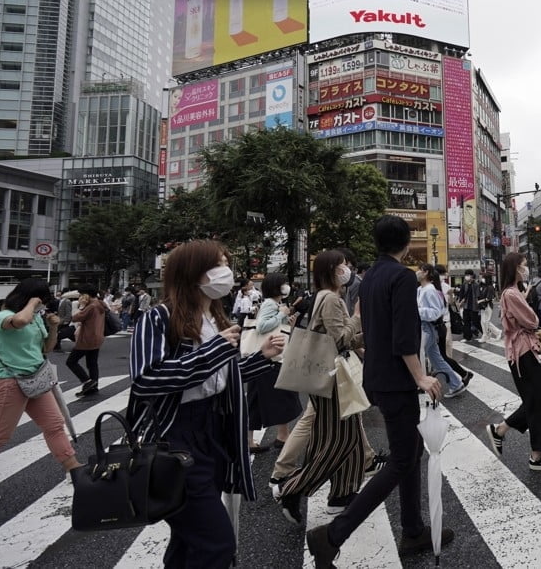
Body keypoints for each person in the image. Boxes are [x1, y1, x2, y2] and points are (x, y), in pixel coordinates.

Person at [127, 240, 284, 568]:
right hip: (174, 434)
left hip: (213, 430)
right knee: (216, 542)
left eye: (227, 263)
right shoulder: (158, 318)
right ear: (192, 272)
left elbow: (221, 376)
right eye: (218, 265)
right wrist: (213, 351)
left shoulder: (214, 316)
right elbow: (146, 379)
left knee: (190, 538)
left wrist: (261, 358)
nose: (226, 272)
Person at [305, 216, 450, 567]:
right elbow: (402, 335)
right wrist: (421, 377)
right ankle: (334, 534)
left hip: (378, 376)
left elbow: (374, 328)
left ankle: (413, 528)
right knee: (402, 459)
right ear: (406, 242)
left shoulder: (370, 277)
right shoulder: (401, 277)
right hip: (397, 380)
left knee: (410, 450)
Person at [277, 250, 366, 523]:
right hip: (332, 378)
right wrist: (357, 317)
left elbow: (335, 337)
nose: (346, 269)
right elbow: (338, 339)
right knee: (338, 439)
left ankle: (342, 494)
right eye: (342, 266)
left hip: (333, 375)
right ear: (331, 270)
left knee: (351, 437)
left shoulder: (327, 297)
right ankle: (292, 488)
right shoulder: (330, 299)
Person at [486, 252, 541, 472]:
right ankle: (537, 456)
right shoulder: (511, 294)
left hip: (522, 351)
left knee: (535, 400)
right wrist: (530, 311)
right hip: (522, 353)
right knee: (536, 401)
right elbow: (532, 320)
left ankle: (502, 433)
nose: (526, 269)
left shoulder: (513, 292)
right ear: (514, 269)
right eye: (522, 266)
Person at [0, 278, 82, 474]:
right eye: (42, 300)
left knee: (54, 424)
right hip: (10, 379)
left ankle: (74, 468)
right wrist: (32, 303)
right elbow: (19, 322)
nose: (44, 305)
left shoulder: (36, 318)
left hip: (36, 378)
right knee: (1, 435)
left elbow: (47, 348)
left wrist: (53, 327)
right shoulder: (3, 315)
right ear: (31, 298)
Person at [246, 274, 302, 454]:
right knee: (283, 396)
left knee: (256, 399)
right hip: (271, 359)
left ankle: (253, 440)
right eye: (283, 284)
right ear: (276, 287)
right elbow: (262, 326)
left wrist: (289, 323)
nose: (287, 287)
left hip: (267, 357)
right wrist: (281, 314)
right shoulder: (271, 303)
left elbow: (278, 329)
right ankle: (282, 436)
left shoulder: (275, 304)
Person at [418, 264, 466, 399]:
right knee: (436, 359)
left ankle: (421, 385)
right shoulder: (421, 289)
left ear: (426, 273)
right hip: (428, 327)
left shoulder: (429, 290)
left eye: (420, 269)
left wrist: (416, 311)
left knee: (421, 356)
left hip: (428, 328)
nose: (417, 272)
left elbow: (435, 312)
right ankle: (456, 384)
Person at [69, 284, 108, 397]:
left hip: (87, 338)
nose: (80, 296)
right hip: (97, 337)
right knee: (92, 363)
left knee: (71, 361)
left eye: (81, 294)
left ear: (86, 294)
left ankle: (87, 382)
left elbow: (75, 317)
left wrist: (81, 306)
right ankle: (93, 387)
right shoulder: (100, 303)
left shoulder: (91, 306)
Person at [458, 270, 481, 341]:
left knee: (476, 321)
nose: (467, 276)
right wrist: (460, 302)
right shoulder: (464, 284)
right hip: (466, 306)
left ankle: (485, 332)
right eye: (466, 275)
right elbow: (461, 294)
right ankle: (467, 337)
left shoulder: (476, 284)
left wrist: (479, 304)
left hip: (474, 306)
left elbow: (478, 295)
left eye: (468, 275)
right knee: (466, 322)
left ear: (471, 276)